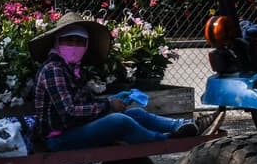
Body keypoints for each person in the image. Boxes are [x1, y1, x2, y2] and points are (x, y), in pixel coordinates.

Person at [31, 12, 197, 151]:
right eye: (69, 40)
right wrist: (108, 106)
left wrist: (112, 100)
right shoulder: (54, 69)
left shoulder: (72, 69)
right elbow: (69, 113)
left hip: (77, 129)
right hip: (59, 138)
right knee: (119, 121)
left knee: (136, 113)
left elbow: (84, 103)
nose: (74, 45)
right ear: (58, 42)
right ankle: (165, 141)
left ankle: (183, 125)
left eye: (79, 41)